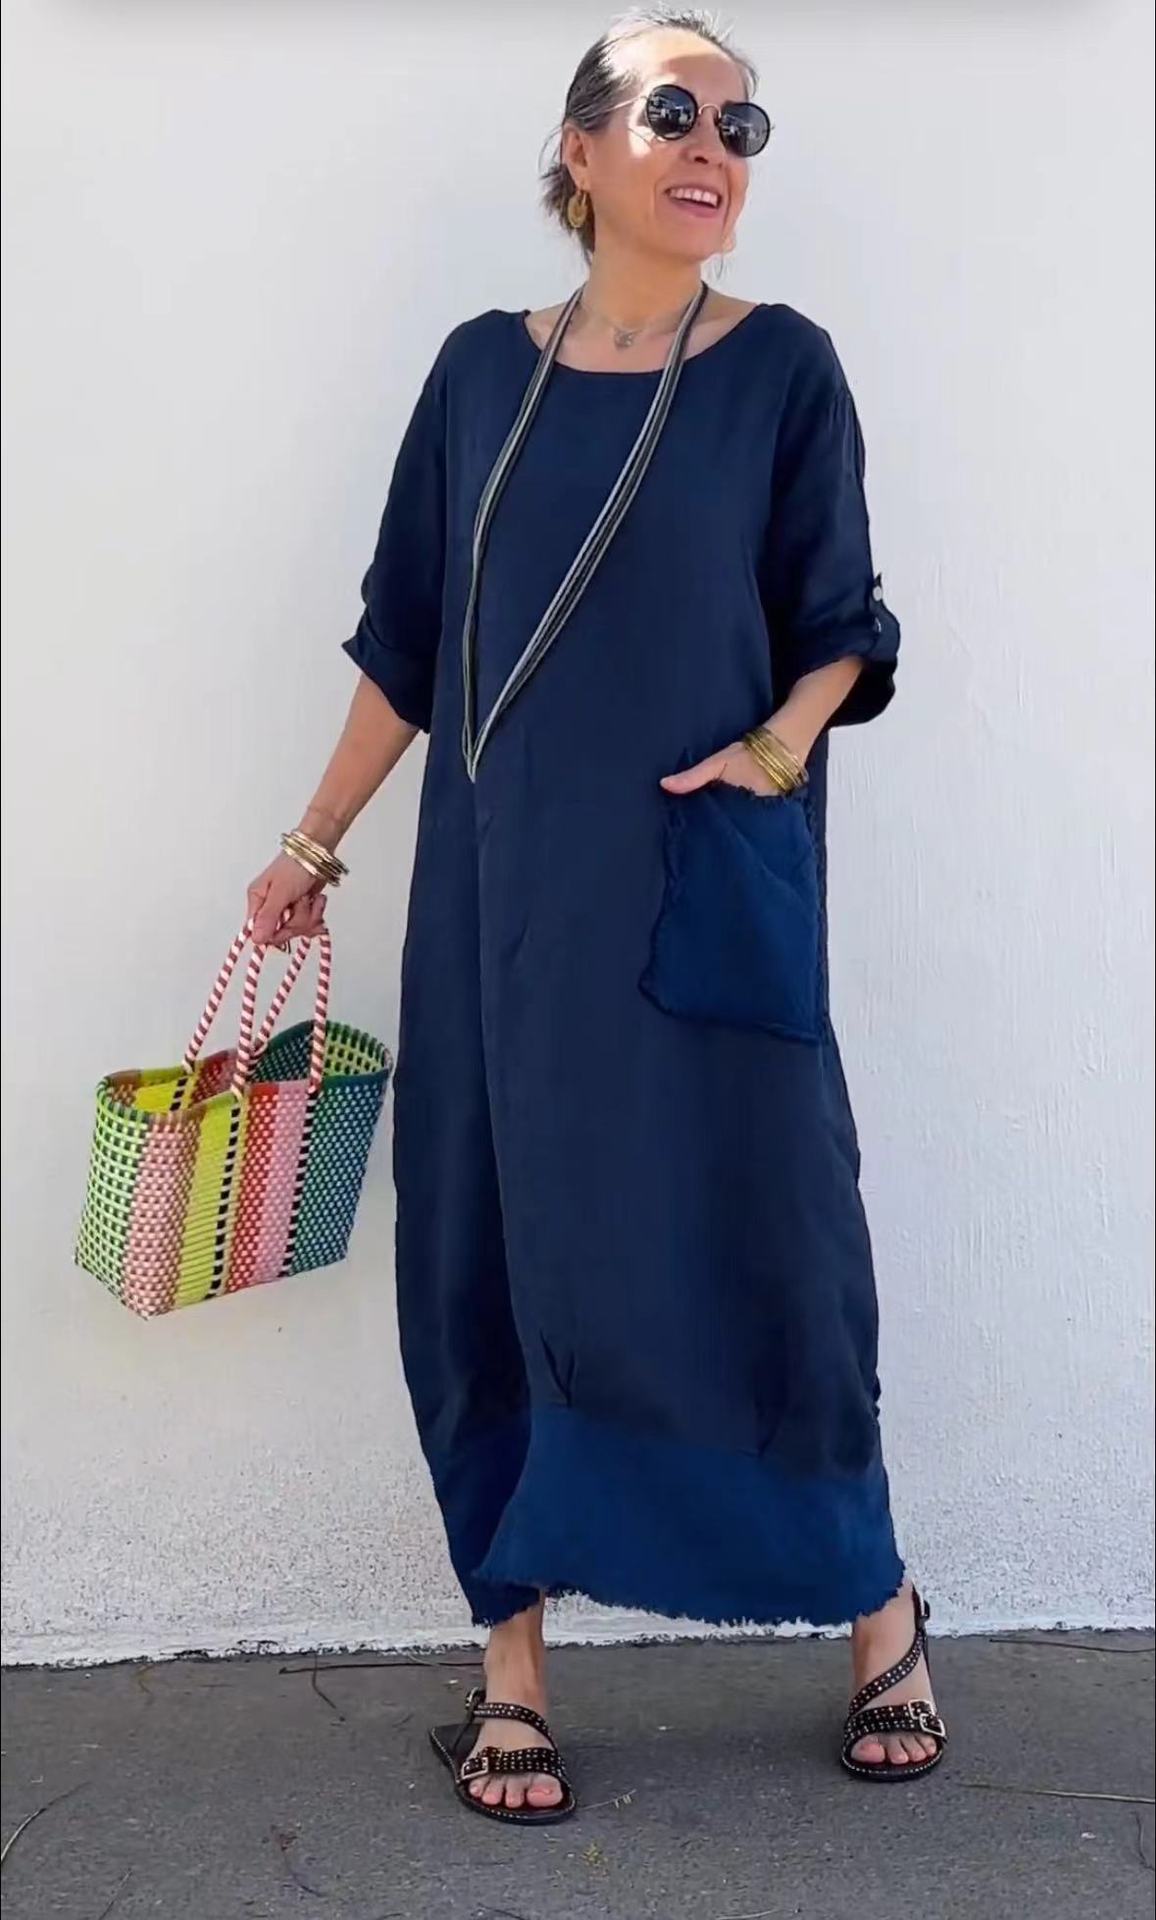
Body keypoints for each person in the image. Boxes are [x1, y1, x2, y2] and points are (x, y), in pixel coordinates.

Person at [248, 6, 947, 1824]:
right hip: (503, 906)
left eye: (741, 126)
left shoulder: (784, 369)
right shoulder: (481, 374)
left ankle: (879, 1610)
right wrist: (313, 842)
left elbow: (845, 623)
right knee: (491, 1241)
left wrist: (776, 754)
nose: (714, 149)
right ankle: (513, 1667)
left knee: (771, 1234)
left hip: (706, 887)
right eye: (674, 113)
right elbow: (408, 637)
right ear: (580, 151)